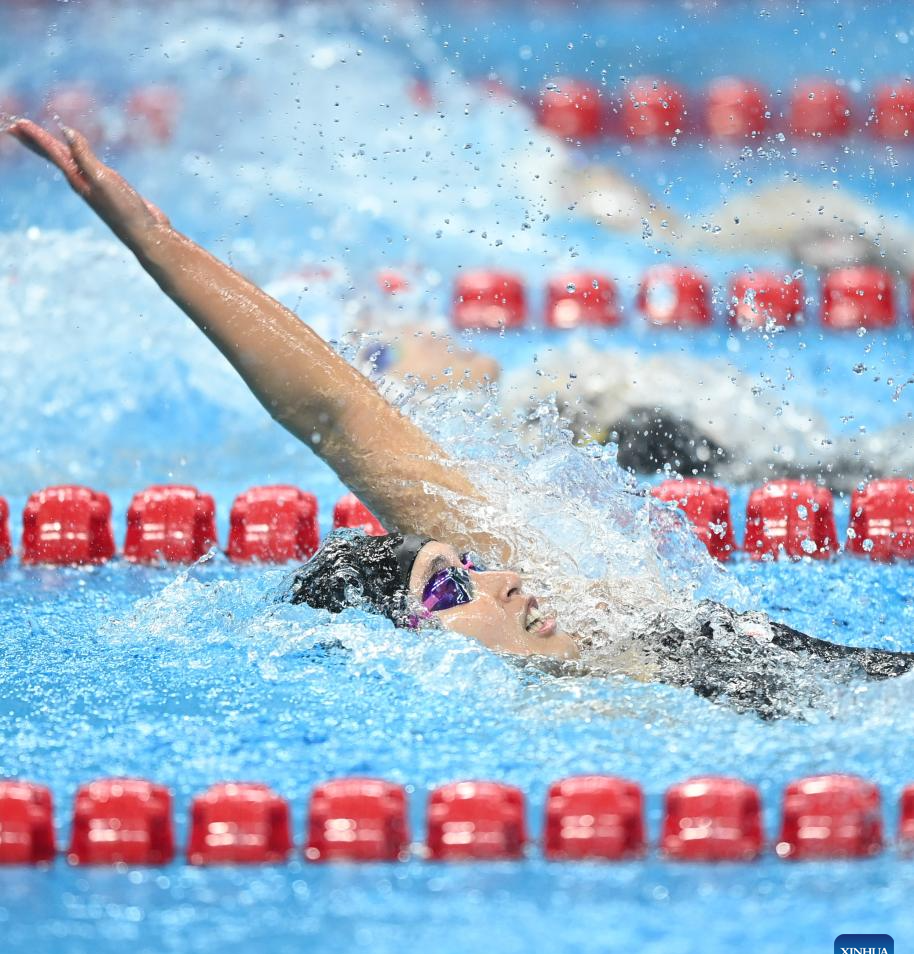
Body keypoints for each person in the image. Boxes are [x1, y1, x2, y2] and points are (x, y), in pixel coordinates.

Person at [7, 118, 913, 720]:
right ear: (396, 653)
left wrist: (155, 240)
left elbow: (336, 414)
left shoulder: (599, 609)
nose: (501, 580)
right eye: (447, 592)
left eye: (466, 570)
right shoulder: (558, 730)